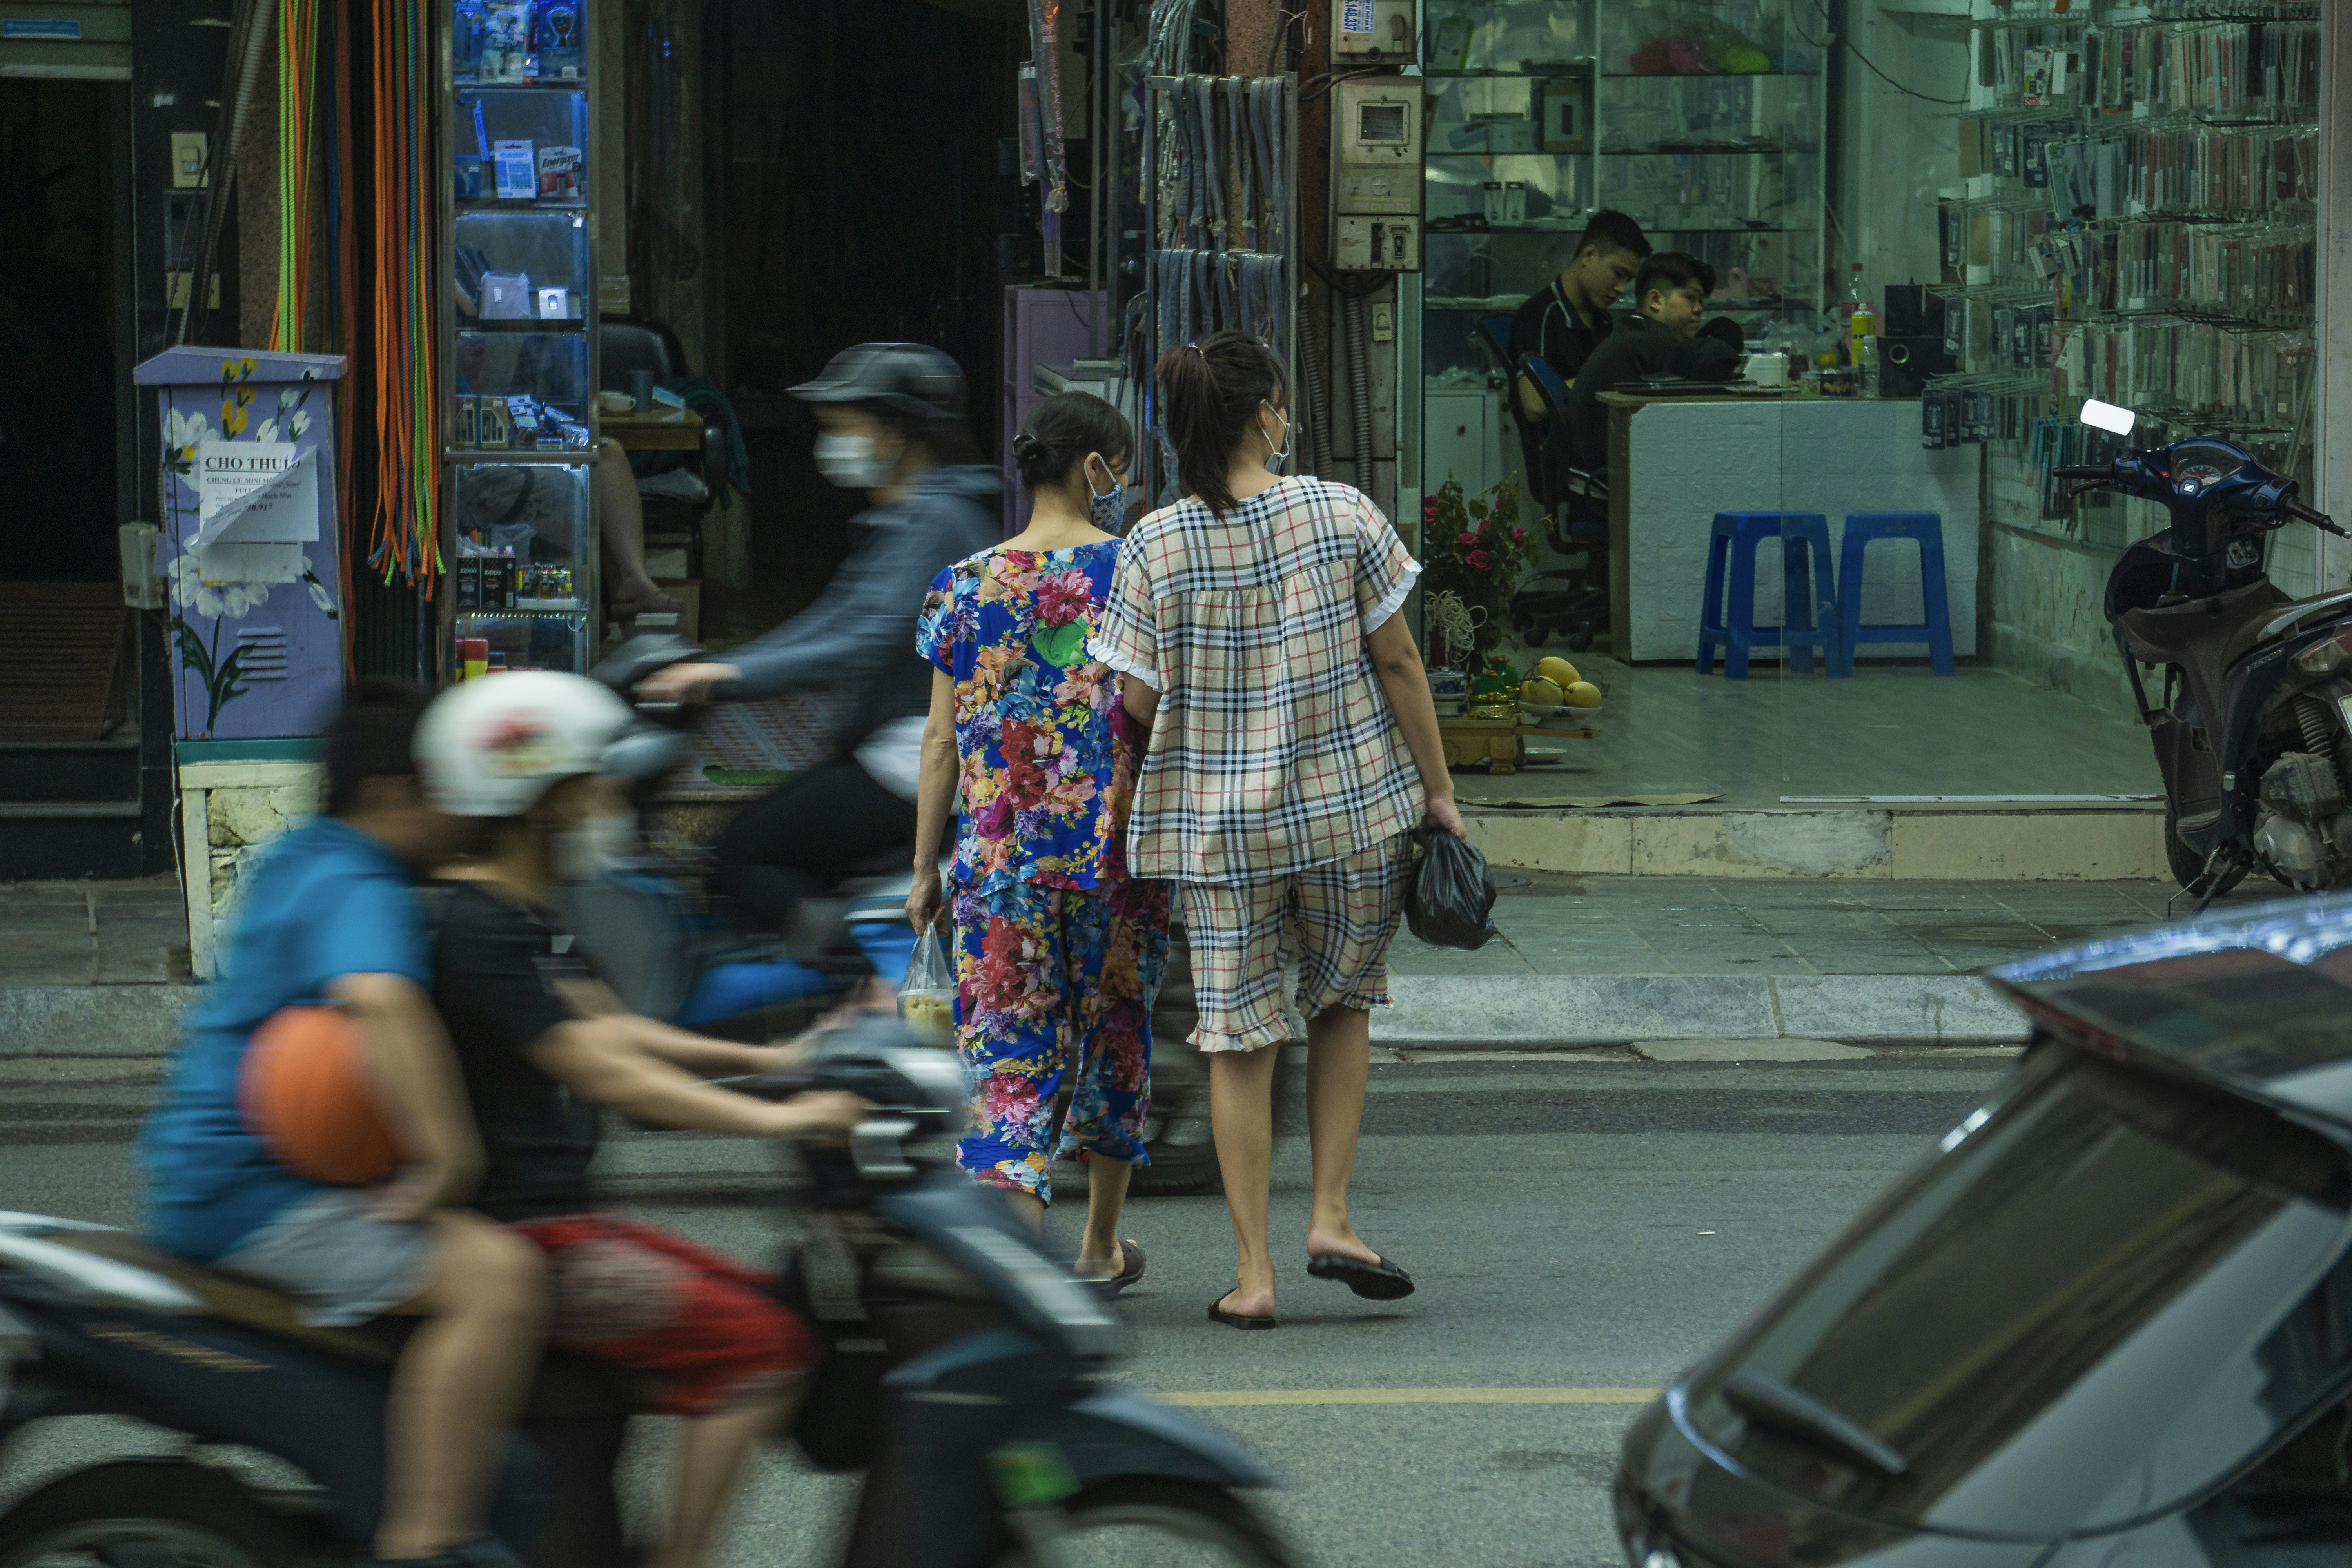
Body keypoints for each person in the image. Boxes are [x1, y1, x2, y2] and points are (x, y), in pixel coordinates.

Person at [412, 671, 869, 1568]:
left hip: (564, 1219)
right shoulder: (478, 925)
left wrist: (782, 1059)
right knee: (766, 1344)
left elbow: (613, 1026)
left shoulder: (526, 913)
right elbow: (607, 1074)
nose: (605, 806)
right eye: (590, 787)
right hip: (531, 1237)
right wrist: (785, 1119)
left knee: (763, 1302)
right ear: (535, 799)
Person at [1089, 330, 1465, 1330]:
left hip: (1217, 835)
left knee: (1237, 1043)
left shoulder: (1155, 542)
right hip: (1352, 814)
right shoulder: (1342, 512)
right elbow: (1400, 665)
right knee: (1342, 1004)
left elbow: (1131, 697)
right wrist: (1441, 792)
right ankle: (1332, 1218)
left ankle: (1252, 1274)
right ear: (1265, 415)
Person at [140, 681, 545, 1568]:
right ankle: (427, 1539)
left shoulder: (300, 857)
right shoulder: (361, 880)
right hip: (253, 1195)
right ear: (391, 795)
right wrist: (447, 1159)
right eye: (445, 788)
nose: (463, 809)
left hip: (207, 1175)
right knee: (498, 1277)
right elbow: (381, 1000)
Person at [905, 391, 1168, 1292]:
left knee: (1007, 1056)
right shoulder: (1140, 573)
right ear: (1097, 469)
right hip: (1118, 858)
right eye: (1121, 467)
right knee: (1117, 1042)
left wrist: (923, 870)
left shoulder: (962, 583)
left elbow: (940, 742)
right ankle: (1098, 1248)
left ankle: (1017, 1267)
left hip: (998, 862)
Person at [640, 343, 1000, 953]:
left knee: (747, 851)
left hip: (921, 756)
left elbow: (862, 638)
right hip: (900, 746)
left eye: (843, 426)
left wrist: (724, 675)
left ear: (895, 432)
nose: (830, 442)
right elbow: (833, 620)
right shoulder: (909, 517)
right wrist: (717, 667)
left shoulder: (938, 520)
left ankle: (849, 992)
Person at [1562, 251, 1744, 474]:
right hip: (1611, 475)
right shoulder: (1655, 340)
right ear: (1656, 300)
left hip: (1587, 470)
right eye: (1690, 298)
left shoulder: (1635, 331)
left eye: (1701, 301)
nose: (1698, 309)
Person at [1506, 210, 1651, 485]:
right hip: (1565, 465)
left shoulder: (1604, 321)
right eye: (1618, 274)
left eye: (1628, 281)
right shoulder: (1540, 315)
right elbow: (1534, 405)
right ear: (1589, 256)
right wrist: (1602, 380)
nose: (1621, 289)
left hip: (1603, 452)